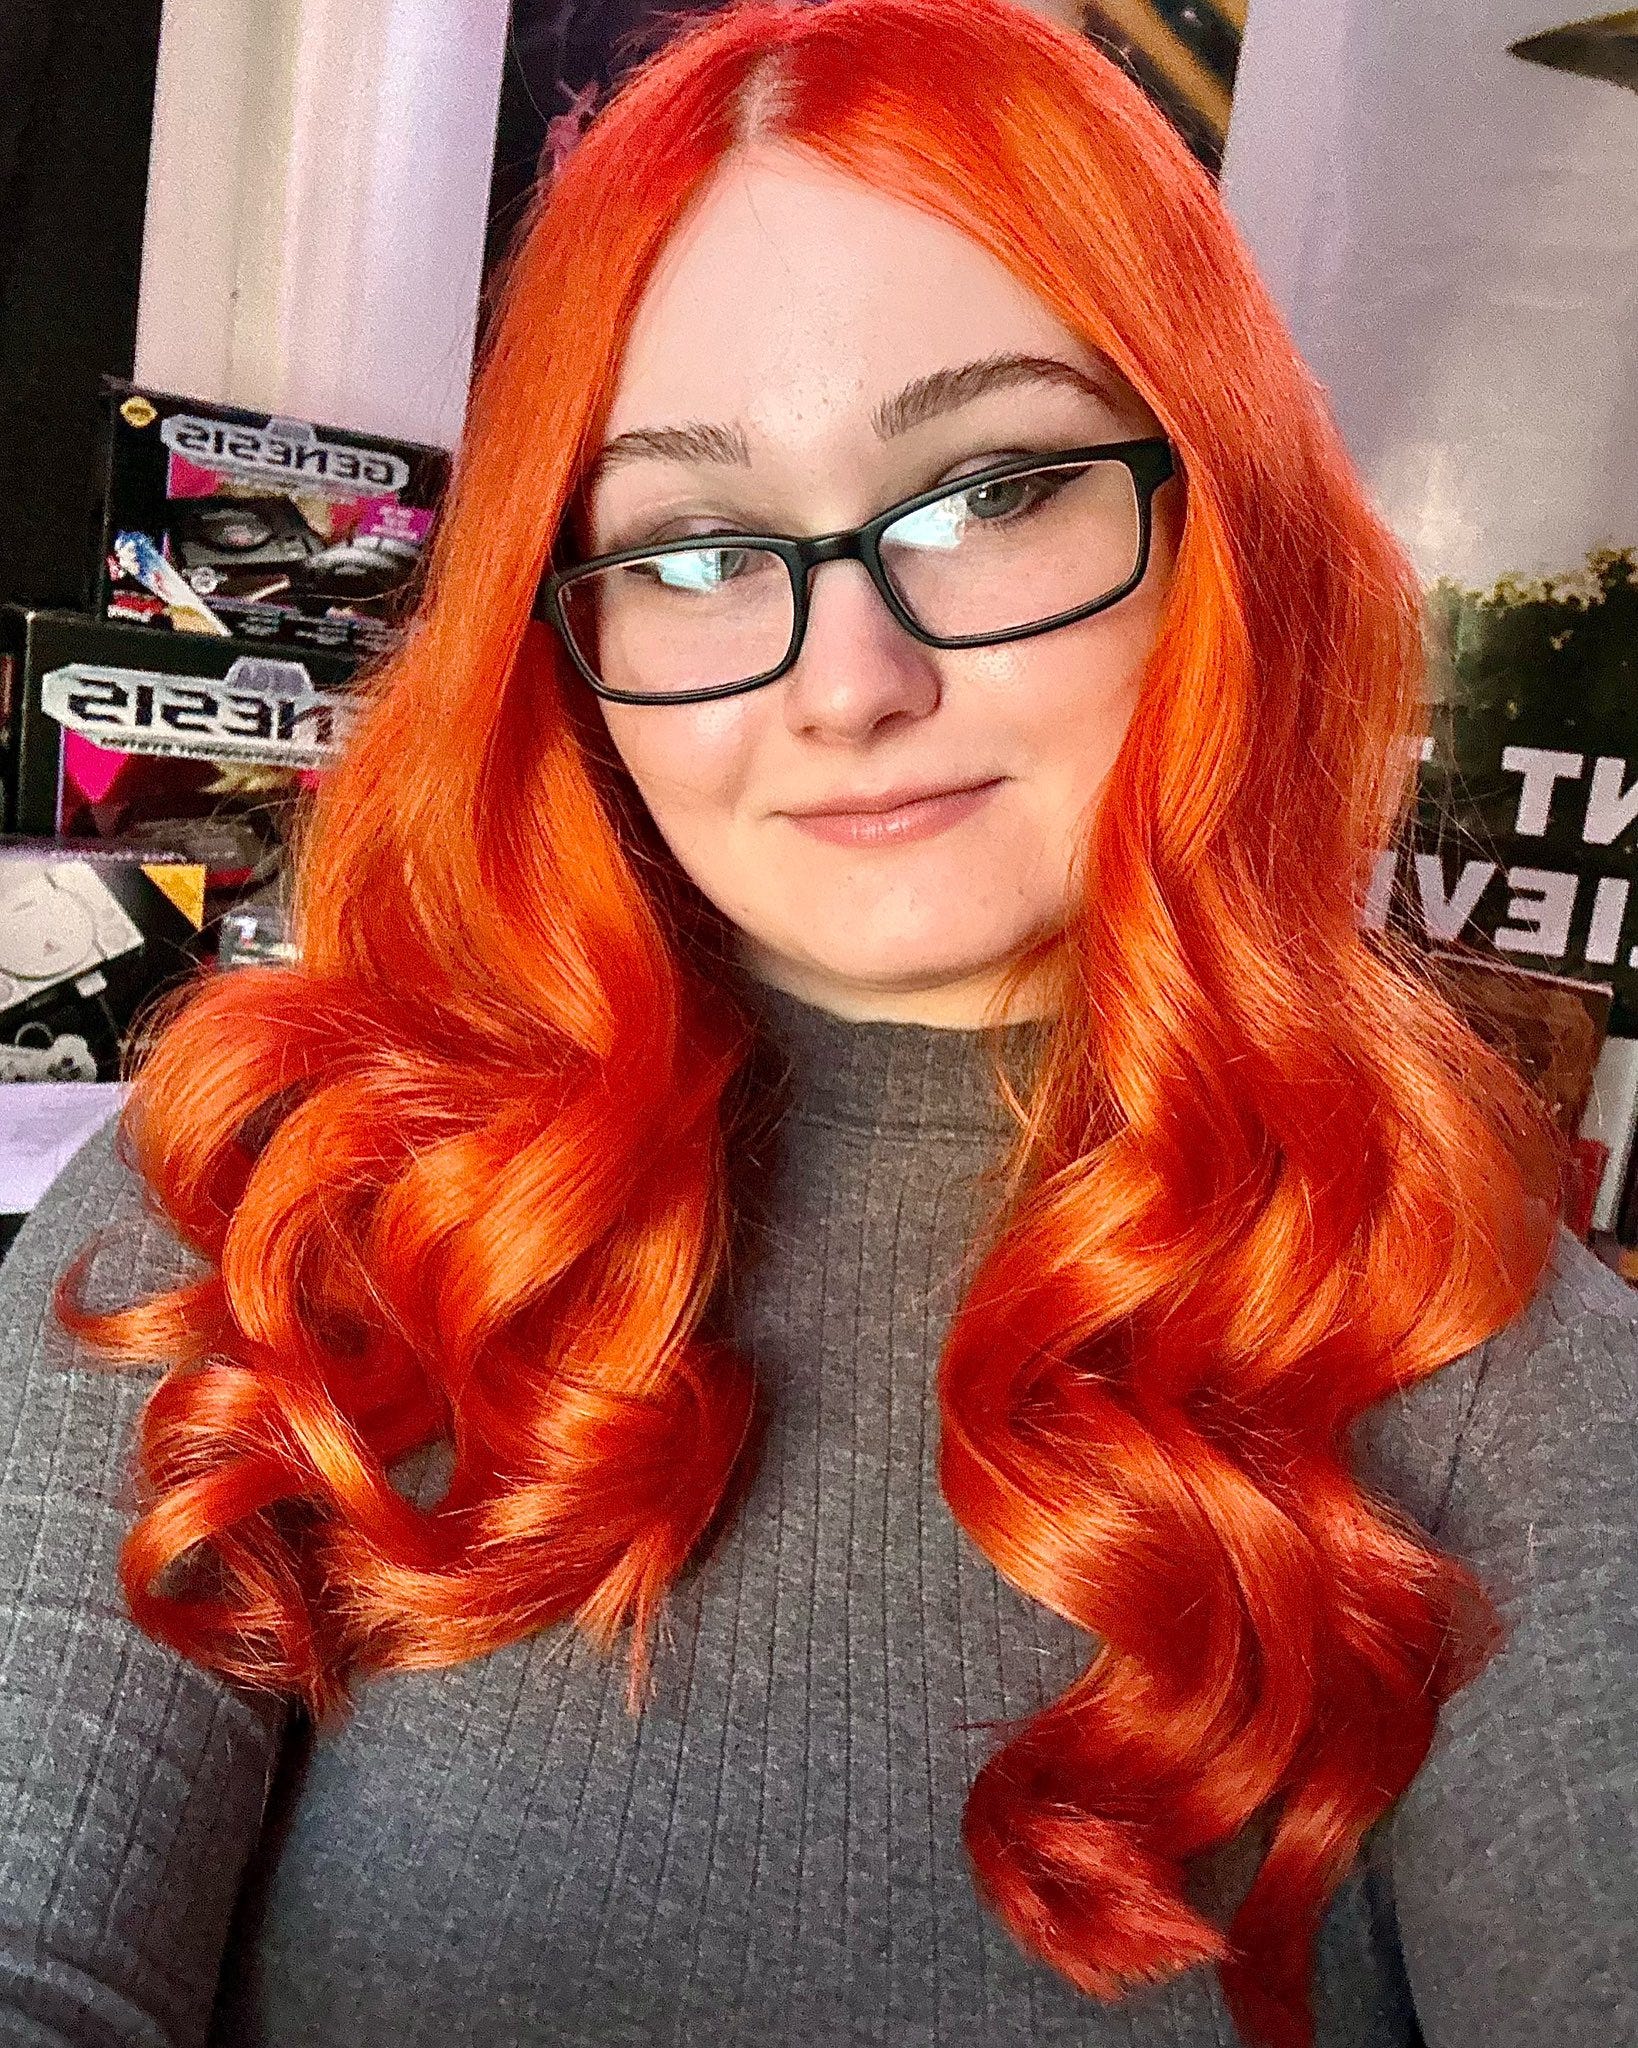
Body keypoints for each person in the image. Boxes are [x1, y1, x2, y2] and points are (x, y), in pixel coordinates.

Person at [1, 0, 1633, 2042]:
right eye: (694, 549)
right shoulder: (268, 1189)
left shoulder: (1459, 1324)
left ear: (1215, 525)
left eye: (991, 490)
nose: (848, 682)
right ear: (566, 633)